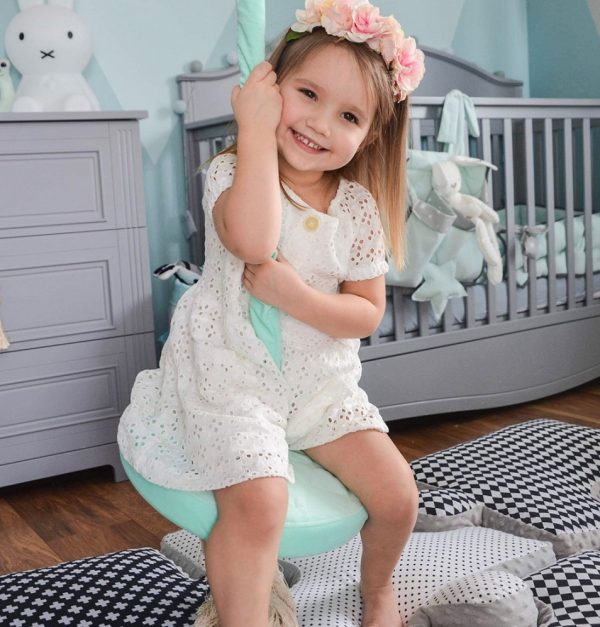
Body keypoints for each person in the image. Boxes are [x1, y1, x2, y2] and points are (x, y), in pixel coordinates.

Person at [118, 1, 425, 625]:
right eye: (307, 94)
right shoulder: (233, 170)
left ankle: (378, 592)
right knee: (260, 502)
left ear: (369, 135)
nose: (318, 122)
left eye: (348, 116)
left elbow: (366, 312)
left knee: (399, 497)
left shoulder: (358, 207)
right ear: (271, 86)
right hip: (231, 375)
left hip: (318, 387)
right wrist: (254, 131)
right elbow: (254, 241)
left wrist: (298, 298)